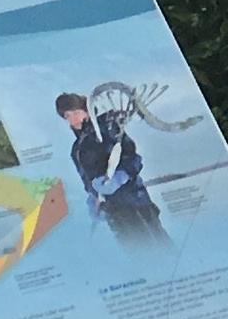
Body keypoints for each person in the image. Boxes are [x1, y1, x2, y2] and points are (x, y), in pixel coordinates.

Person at [55, 90, 164, 244]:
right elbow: (87, 180)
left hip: (135, 203)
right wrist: (93, 197)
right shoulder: (76, 150)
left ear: (87, 111)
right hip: (114, 213)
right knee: (138, 256)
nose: (73, 119)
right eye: (67, 116)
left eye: (76, 113)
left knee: (159, 247)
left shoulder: (108, 127)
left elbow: (133, 158)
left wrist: (120, 177)